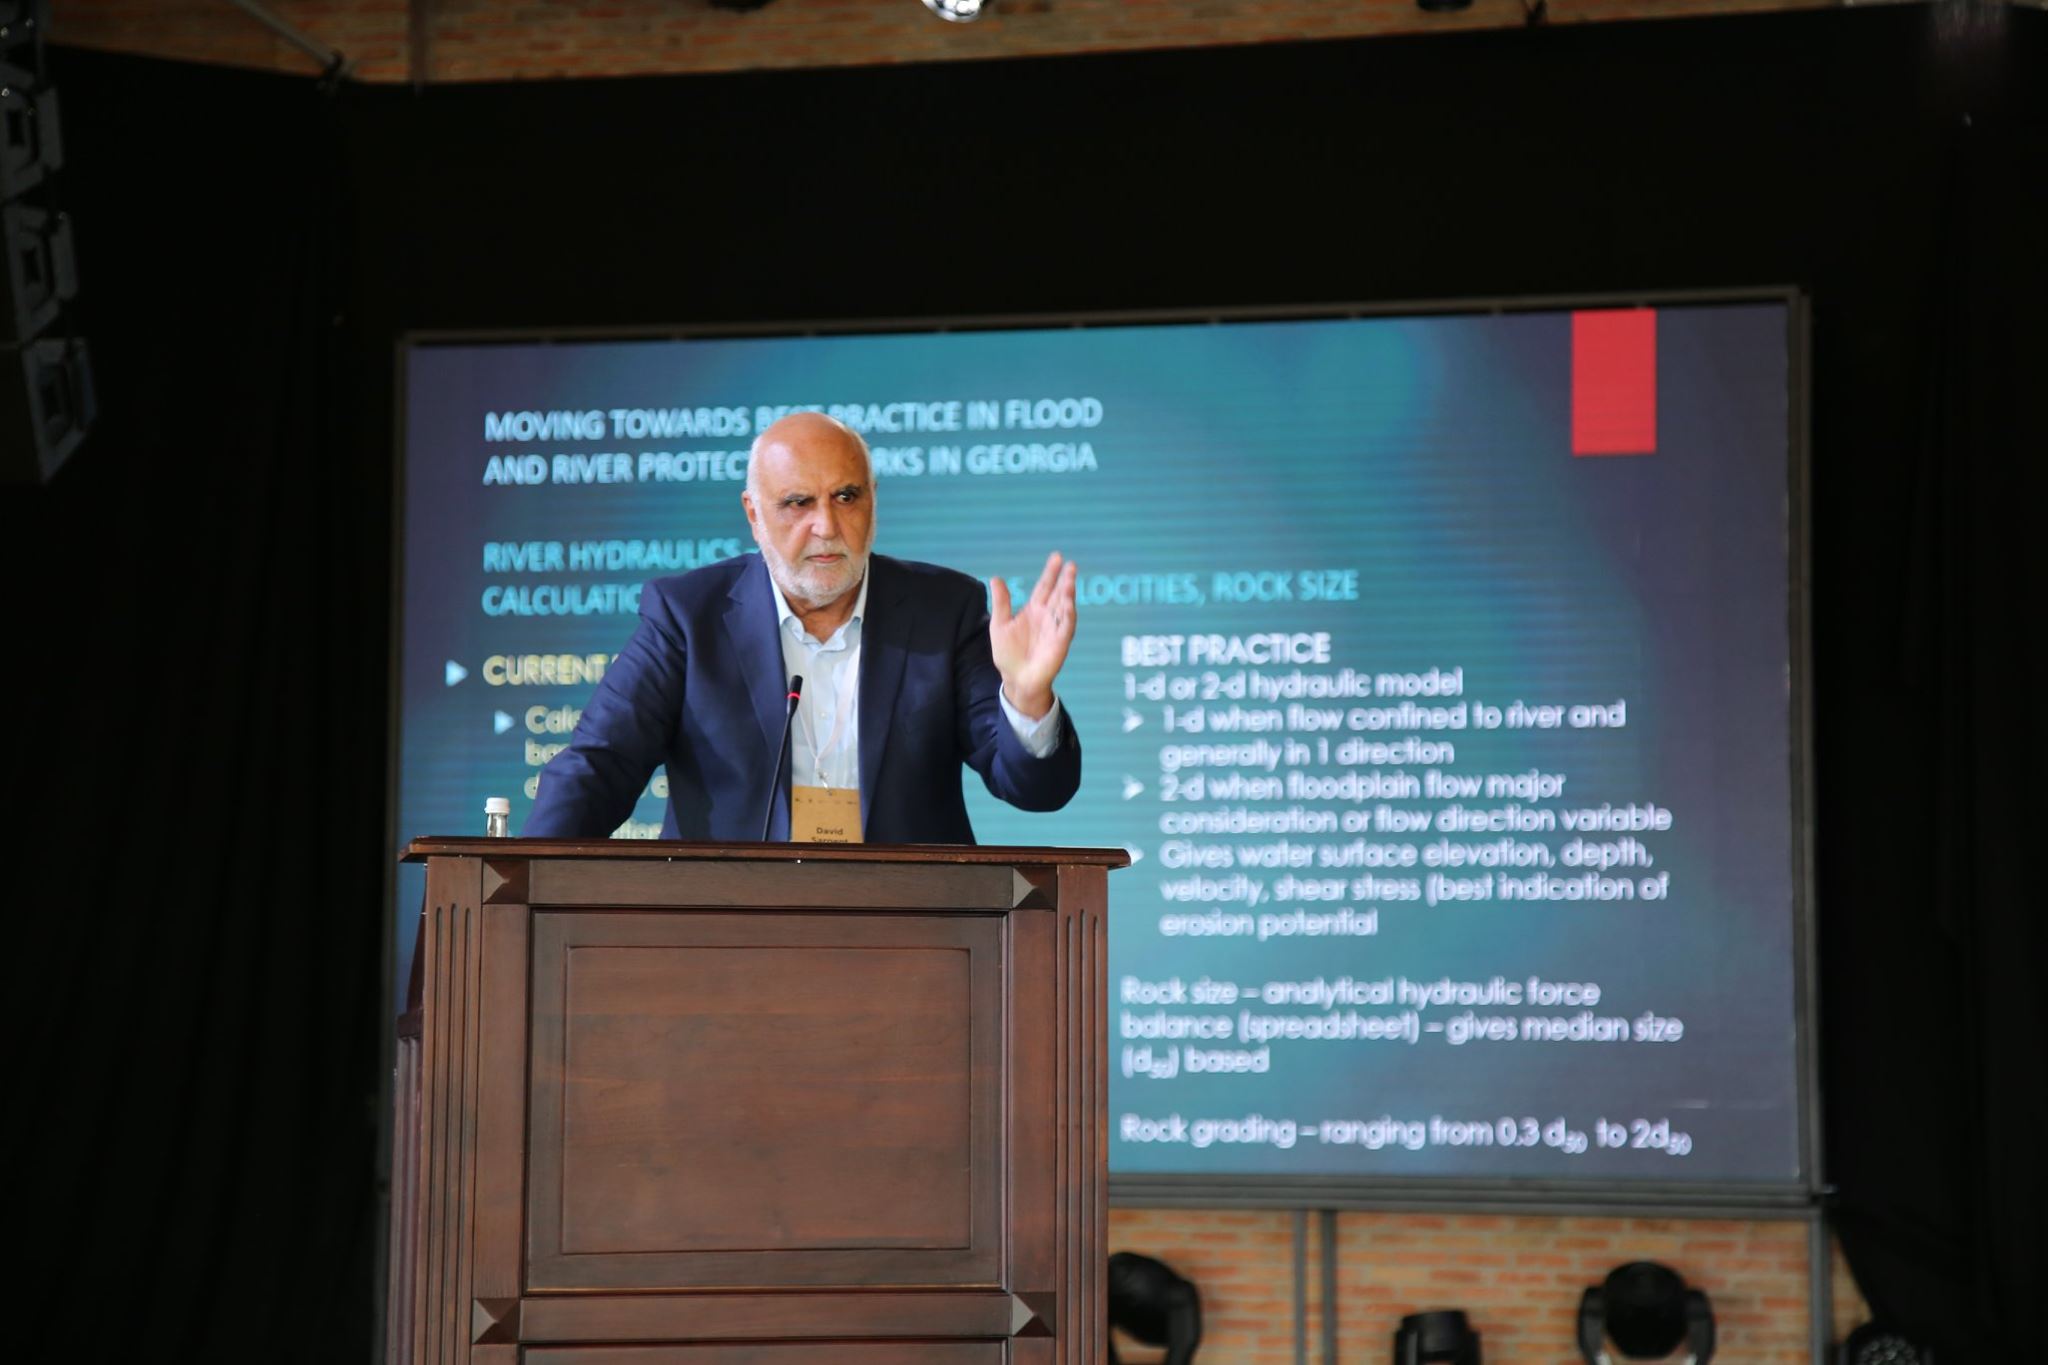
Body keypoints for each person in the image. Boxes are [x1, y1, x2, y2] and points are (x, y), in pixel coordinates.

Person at [523, 411, 1082, 842]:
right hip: (726, 929)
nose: (826, 525)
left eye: (846, 496)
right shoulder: (688, 616)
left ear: (873, 500)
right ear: (754, 514)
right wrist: (519, 882)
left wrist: (1027, 698)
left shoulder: (944, 609)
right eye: (797, 503)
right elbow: (600, 766)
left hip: (914, 931)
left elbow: (1036, 789)